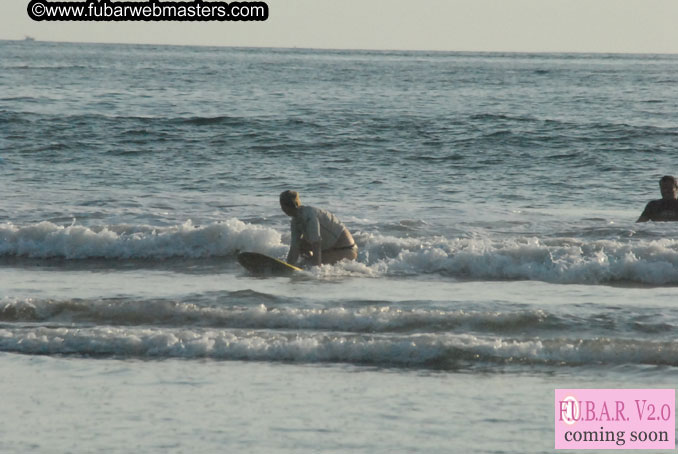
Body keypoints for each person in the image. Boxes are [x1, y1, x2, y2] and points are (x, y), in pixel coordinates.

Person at [279, 190, 358, 266]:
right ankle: (310, 263)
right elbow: (294, 246)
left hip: (347, 249)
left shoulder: (309, 215)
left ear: (289, 205)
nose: (282, 208)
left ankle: (314, 265)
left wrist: (315, 269)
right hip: (329, 249)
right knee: (301, 249)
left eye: (282, 205)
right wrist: (288, 265)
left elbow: (316, 243)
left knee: (310, 265)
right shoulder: (295, 220)